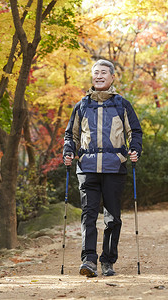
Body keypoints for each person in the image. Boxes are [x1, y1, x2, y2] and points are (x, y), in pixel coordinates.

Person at [63, 59, 143, 277]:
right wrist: (69, 151)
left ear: (112, 77)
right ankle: (88, 260)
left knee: (113, 217)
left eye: (103, 73)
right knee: (88, 216)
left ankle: (108, 260)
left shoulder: (122, 104)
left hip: (114, 167)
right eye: (96, 72)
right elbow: (71, 134)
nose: (99, 76)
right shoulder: (82, 105)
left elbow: (134, 132)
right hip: (87, 168)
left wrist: (135, 149)